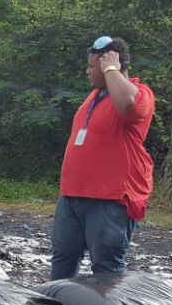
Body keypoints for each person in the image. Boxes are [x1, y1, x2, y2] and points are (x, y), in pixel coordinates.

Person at [50, 36, 156, 280]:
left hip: (110, 199)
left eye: (92, 66)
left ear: (112, 65)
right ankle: (56, 303)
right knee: (63, 258)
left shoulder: (140, 94)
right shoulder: (94, 96)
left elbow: (127, 104)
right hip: (72, 196)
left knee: (106, 268)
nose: (87, 71)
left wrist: (110, 69)